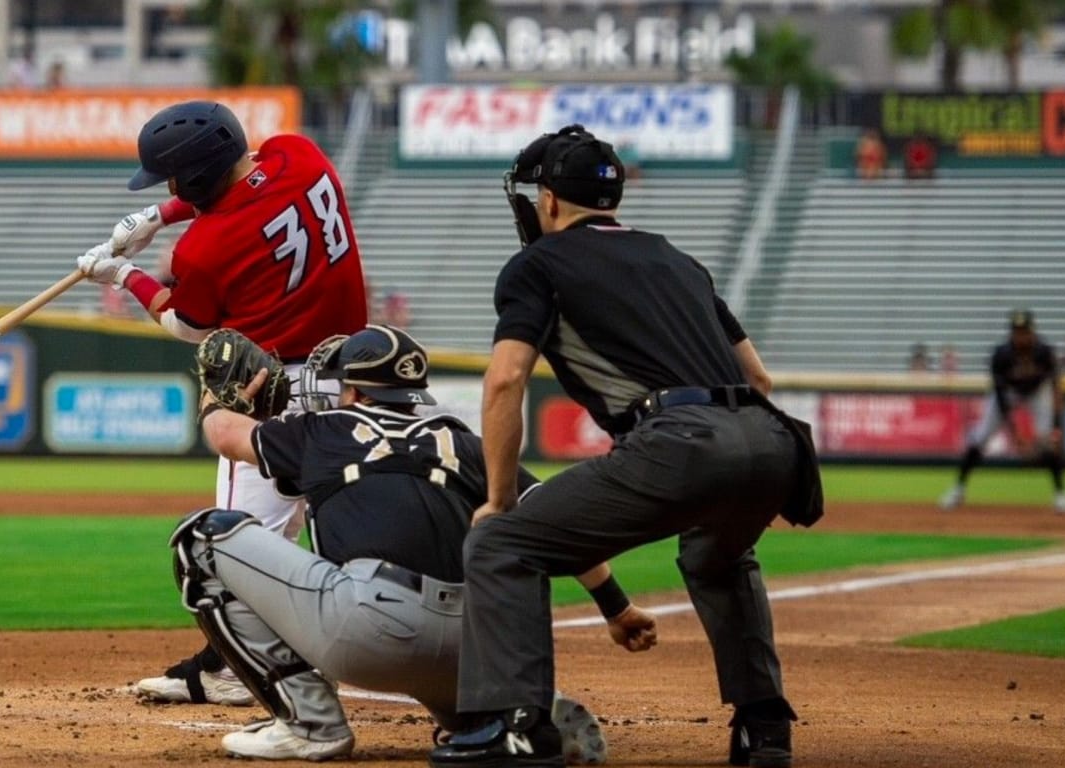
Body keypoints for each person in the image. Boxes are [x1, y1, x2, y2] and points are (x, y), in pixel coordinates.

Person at [429, 125, 822, 768]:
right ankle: (764, 727)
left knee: (502, 543)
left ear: (548, 200)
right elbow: (759, 379)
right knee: (716, 555)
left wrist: (499, 499)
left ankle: (518, 727)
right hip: (773, 440)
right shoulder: (677, 258)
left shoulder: (537, 264)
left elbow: (505, 381)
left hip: (679, 439)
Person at [174, 324, 654, 760]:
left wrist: (220, 399)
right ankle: (498, 715)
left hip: (369, 633)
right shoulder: (460, 440)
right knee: (462, 700)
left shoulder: (324, 430)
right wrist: (617, 608)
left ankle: (310, 722)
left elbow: (225, 436)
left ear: (356, 388)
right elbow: (556, 519)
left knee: (201, 537)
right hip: (472, 650)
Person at [75, 100, 369, 705]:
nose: (173, 187)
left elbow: (187, 323)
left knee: (234, 545)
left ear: (200, 176)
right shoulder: (302, 155)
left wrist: (122, 275)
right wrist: (159, 213)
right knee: (341, 535)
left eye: (175, 180)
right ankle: (238, 657)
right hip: (356, 380)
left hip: (272, 391)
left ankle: (235, 668)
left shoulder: (204, 248)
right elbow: (253, 178)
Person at [938, 309, 1065, 515]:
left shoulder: (1044, 352)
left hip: (1038, 391)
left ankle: (1060, 494)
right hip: (1009, 392)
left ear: (1032, 332)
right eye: (1016, 332)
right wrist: (1015, 432)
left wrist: (1057, 426)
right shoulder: (1001, 355)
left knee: (1047, 442)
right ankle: (958, 489)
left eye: (1024, 331)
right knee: (980, 437)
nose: (1020, 336)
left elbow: (1056, 388)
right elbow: (1000, 397)